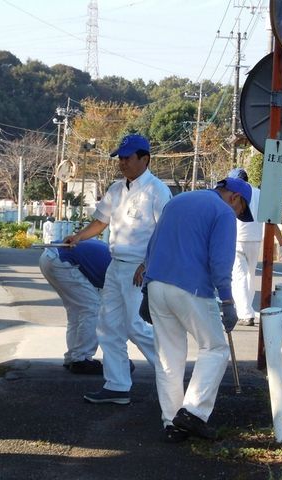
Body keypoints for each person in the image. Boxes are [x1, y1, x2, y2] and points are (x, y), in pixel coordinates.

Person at [143, 177, 253, 442]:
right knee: (215, 347)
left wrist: (147, 288)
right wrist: (227, 301)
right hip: (190, 288)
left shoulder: (178, 200)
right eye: (241, 210)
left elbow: (151, 245)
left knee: (169, 356)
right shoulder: (223, 212)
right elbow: (220, 260)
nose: (238, 215)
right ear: (235, 198)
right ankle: (192, 412)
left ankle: (172, 422)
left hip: (157, 283)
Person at [64, 133, 171, 405]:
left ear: (144, 159)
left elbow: (165, 233)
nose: (122, 163)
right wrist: (78, 237)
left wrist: (149, 265)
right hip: (116, 266)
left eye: (127, 158)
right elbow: (100, 222)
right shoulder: (115, 189)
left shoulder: (157, 191)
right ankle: (117, 386)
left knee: (136, 326)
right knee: (108, 327)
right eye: (120, 158)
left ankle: (170, 376)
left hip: (139, 268)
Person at [227, 168, 282, 327]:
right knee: (249, 275)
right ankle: (246, 309)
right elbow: (271, 220)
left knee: (238, 276)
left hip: (237, 239)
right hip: (255, 240)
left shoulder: (232, 193)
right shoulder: (260, 193)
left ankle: (245, 313)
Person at [39, 239, 112, 374]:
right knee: (92, 308)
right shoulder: (118, 269)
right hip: (62, 261)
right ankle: (81, 358)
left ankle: (73, 357)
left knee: (76, 310)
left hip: (50, 257)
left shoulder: (115, 257)